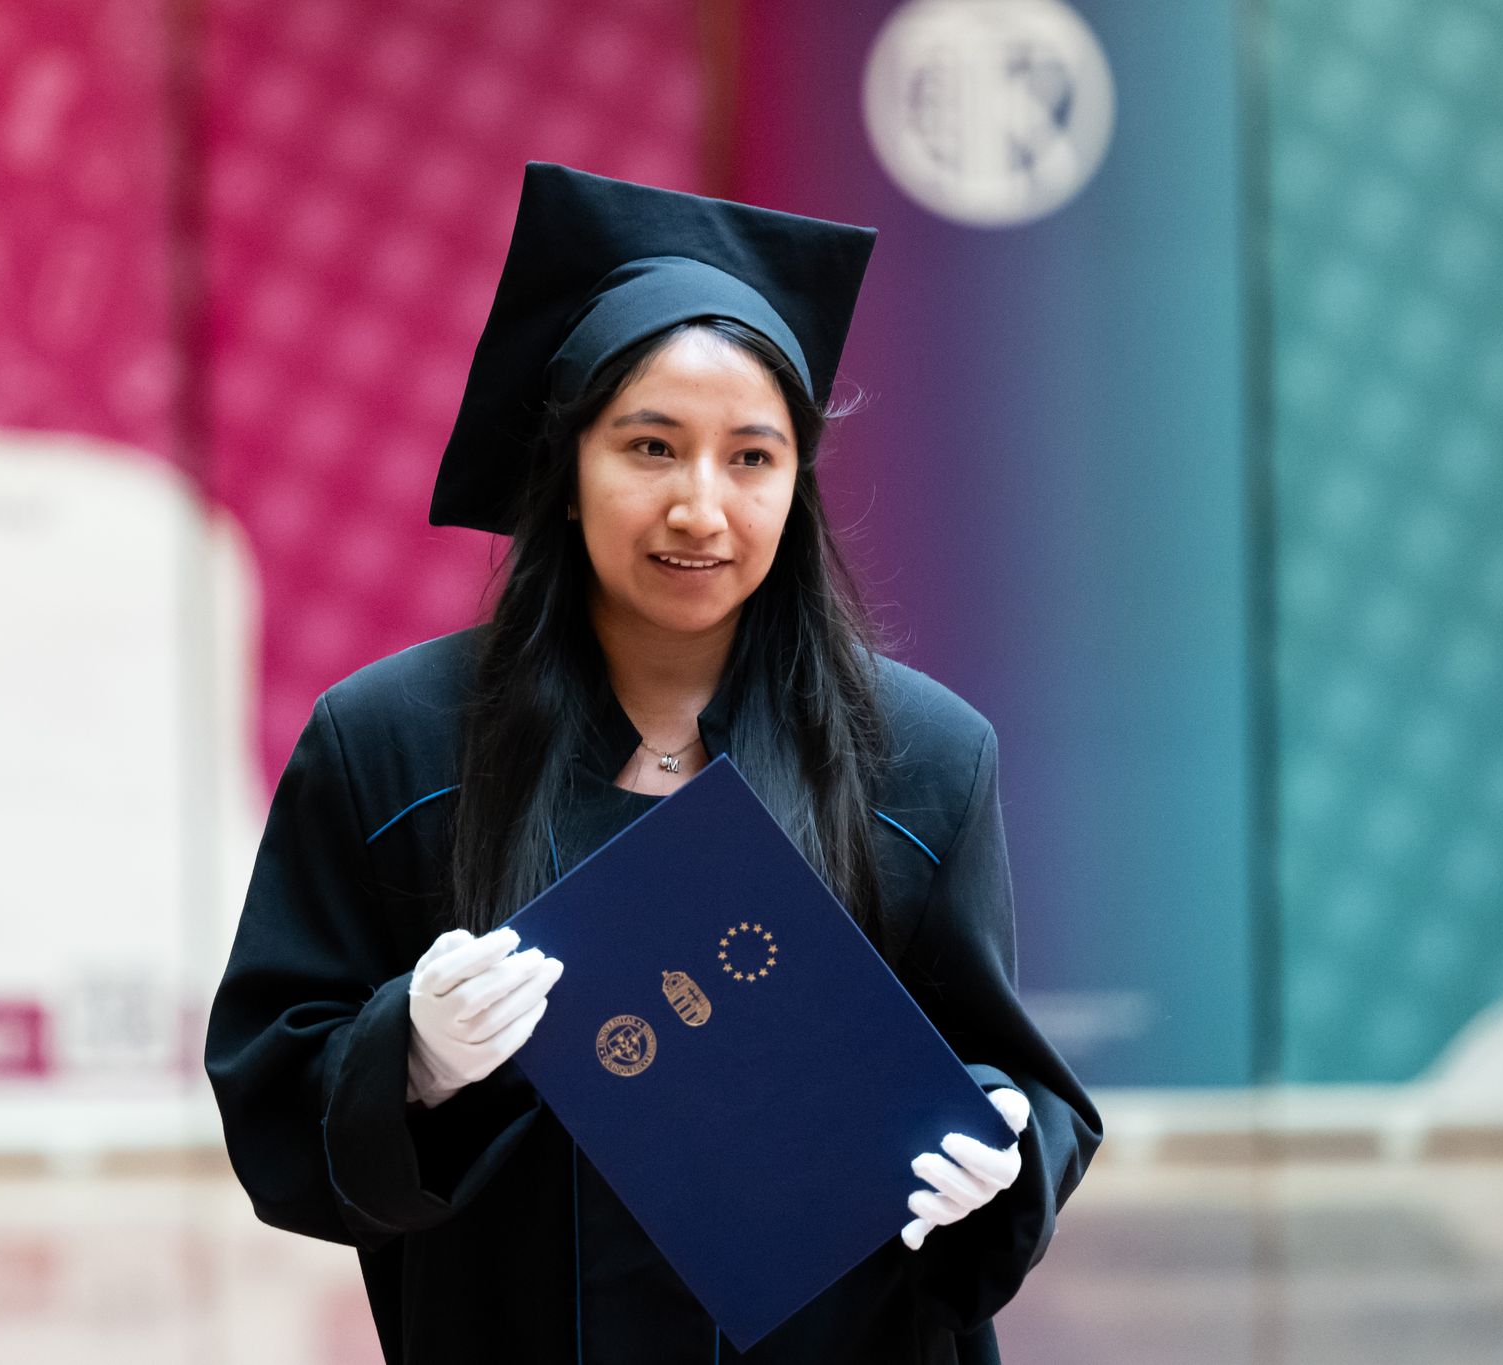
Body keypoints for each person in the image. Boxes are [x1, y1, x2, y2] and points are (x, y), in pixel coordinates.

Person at [205, 162, 1102, 1365]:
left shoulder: (921, 760)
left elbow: (1016, 1084)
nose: (700, 508)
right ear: (567, 470)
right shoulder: (390, 744)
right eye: (650, 447)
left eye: (751, 458)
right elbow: (273, 1080)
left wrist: (999, 1148)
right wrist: (406, 1056)